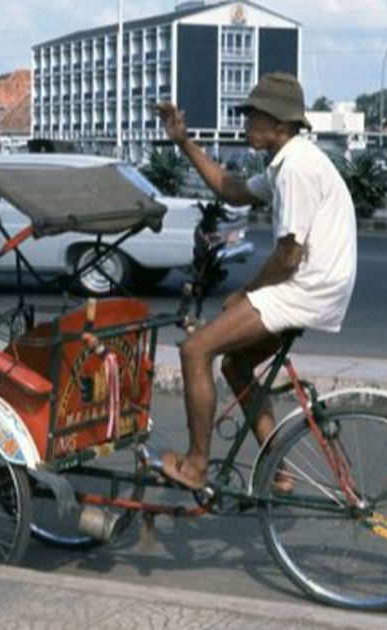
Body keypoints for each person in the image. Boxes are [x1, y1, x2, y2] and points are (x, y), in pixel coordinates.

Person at [152, 73, 357, 490]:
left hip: (307, 287)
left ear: (280, 125)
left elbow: (288, 256)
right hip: (315, 283)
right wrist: (184, 142)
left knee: (195, 351)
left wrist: (245, 292)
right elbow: (231, 191)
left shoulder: (295, 168)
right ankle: (279, 470)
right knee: (236, 364)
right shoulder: (287, 160)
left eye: (254, 117)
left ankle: (195, 465)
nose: (246, 124)